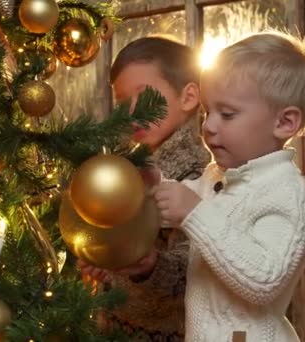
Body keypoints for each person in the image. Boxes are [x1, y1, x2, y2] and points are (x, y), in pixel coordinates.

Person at [151, 31, 305, 341]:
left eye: (227, 114)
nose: (208, 126)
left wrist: (193, 212)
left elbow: (264, 280)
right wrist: (152, 183)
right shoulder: (218, 177)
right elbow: (175, 205)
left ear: (285, 123)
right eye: (206, 112)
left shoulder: (285, 195)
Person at [78, 36, 211, 340]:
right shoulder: (124, 167)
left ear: (188, 97)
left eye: (145, 96)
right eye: (122, 101)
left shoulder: (198, 174)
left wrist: (150, 266)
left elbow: (196, 268)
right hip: (116, 326)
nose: (132, 112)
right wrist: (102, 260)